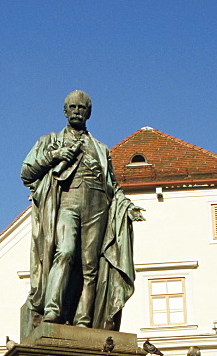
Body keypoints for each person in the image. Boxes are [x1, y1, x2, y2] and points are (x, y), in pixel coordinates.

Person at [22, 90, 143, 329]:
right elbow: (26, 172)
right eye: (73, 107)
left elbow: (112, 185)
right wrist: (54, 156)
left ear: (89, 113)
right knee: (65, 252)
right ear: (65, 111)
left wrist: (126, 206)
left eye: (82, 108)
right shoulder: (50, 141)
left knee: (91, 266)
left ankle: (84, 320)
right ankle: (52, 310)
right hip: (68, 200)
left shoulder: (100, 148)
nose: (77, 111)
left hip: (97, 205)